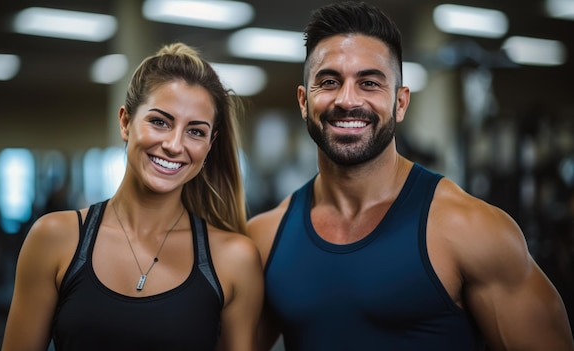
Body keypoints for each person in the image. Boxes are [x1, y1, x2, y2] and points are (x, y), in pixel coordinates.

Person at [246, 2, 574, 350]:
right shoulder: (265, 239)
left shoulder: (470, 228)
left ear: (400, 103)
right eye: (329, 81)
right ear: (303, 100)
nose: (347, 99)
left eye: (369, 83)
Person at [2, 42, 264, 351]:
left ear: (210, 144)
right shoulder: (54, 238)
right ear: (125, 122)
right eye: (159, 122)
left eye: (195, 131)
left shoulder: (234, 258)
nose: (174, 144)